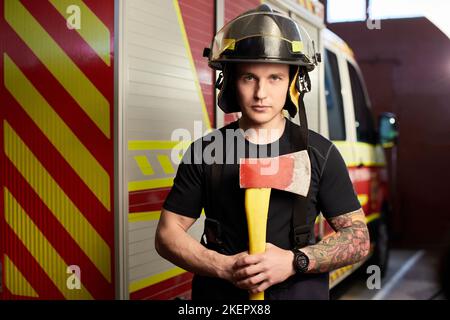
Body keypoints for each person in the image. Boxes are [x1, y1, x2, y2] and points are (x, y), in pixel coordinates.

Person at [155, 4, 370, 300]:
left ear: (294, 83)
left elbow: (358, 238)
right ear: (230, 83)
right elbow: (167, 234)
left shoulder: (321, 153)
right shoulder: (205, 152)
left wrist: (295, 261)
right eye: (249, 77)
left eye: (275, 78)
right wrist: (225, 267)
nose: (261, 93)